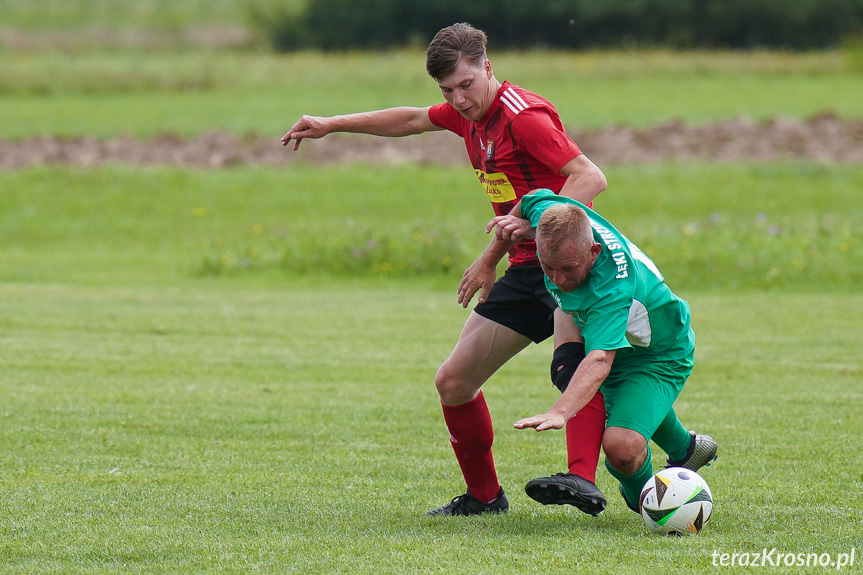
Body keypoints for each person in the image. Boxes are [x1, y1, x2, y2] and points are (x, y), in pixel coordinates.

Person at [282, 23, 610, 516]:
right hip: (524, 270)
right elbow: (412, 119)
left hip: (567, 265)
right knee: (454, 382)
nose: (457, 99)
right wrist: (333, 123)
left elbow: (591, 176)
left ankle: (593, 476)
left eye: (465, 85)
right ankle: (484, 498)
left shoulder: (523, 117)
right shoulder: (470, 118)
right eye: (447, 90)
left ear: (488, 68)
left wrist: (537, 230)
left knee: (578, 374)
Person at [487, 189, 718, 513]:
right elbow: (530, 201)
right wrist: (491, 258)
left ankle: (651, 504)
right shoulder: (551, 216)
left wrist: (560, 412)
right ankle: (686, 449)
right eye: (548, 267)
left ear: (594, 251)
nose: (558, 279)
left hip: (657, 353)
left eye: (568, 268)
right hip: (610, 329)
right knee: (569, 372)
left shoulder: (612, 287)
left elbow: (598, 361)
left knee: (621, 448)